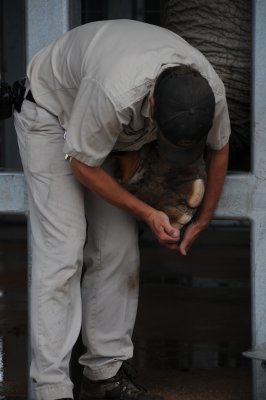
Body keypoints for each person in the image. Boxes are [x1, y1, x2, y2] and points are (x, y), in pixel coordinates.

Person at [14, 19, 230, 400]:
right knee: (63, 248)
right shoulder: (115, 91)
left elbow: (219, 147)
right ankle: (52, 388)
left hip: (108, 126)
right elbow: (82, 165)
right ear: (152, 105)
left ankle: (104, 375)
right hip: (51, 113)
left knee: (117, 248)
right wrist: (147, 212)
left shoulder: (209, 89)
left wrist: (205, 217)